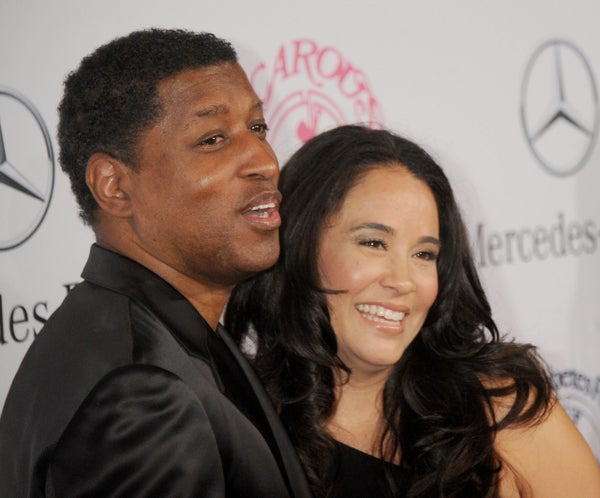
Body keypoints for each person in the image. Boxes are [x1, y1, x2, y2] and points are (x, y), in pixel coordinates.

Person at [0, 28, 312, 498]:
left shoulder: (159, 335)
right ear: (114, 186)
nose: (265, 162)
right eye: (213, 139)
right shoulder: (137, 396)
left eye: (257, 128)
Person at [226, 124, 600, 497]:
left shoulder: (499, 410)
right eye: (374, 243)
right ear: (298, 245)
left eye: (424, 254)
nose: (403, 281)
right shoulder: (238, 426)